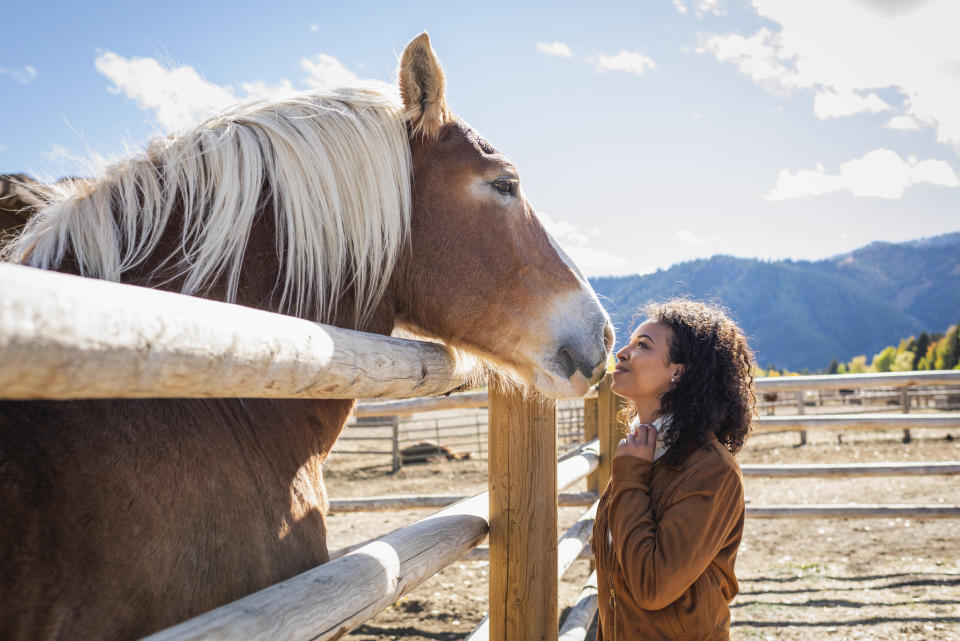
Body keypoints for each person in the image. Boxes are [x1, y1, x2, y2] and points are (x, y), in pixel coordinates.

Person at [591, 299, 755, 640]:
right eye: (629, 342)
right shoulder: (641, 450)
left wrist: (631, 478)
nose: (621, 352)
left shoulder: (711, 470)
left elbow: (653, 586)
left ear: (679, 372)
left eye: (642, 346)